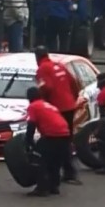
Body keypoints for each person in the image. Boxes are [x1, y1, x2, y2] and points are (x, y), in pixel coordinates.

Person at [34, 46, 82, 185]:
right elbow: (74, 83)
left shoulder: (42, 69)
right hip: (69, 106)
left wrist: (44, 103)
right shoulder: (59, 65)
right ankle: (68, 171)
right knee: (66, 139)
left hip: (57, 108)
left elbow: (45, 87)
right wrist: (73, 98)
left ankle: (64, 172)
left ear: (37, 57)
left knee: (57, 142)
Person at [24, 87, 71, 196]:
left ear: (29, 97)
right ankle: (54, 186)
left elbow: (31, 124)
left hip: (52, 135)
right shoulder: (49, 105)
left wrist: (28, 142)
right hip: (65, 134)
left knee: (39, 159)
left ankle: (42, 188)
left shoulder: (33, 106)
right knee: (55, 161)